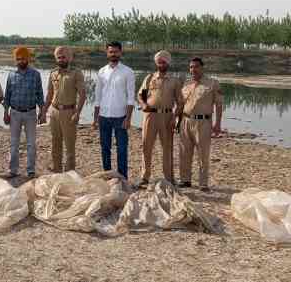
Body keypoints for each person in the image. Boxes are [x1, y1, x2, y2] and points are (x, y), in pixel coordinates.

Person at [178, 57, 224, 191]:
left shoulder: (212, 83)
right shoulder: (186, 84)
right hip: (185, 121)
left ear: (202, 68)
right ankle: (185, 180)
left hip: (203, 122)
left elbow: (219, 104)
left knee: (203, 153)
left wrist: (218, 124)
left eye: (196, 66)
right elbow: (181, 104)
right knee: (184, 152)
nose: (193, 69)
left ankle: (203, 183)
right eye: (191, 67)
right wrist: (176, 120)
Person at [137, 50, 182, 185]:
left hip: (167, 116)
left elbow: (180, 103)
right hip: (150, 115)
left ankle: (169, 178)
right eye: (159, 62)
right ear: (156, 63)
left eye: (164, 62)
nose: (161, 64)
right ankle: (145, 177)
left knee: (167, 147)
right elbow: (141, 95)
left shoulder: (174, 81)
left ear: (168, 63)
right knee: (146, 146)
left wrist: (175, 118)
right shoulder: (149, 78)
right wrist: (143, 104)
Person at [92, 41, 135, 179]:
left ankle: (123, 178)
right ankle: (108, 176)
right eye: (111, 51)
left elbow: (130, 97)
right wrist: (95, 119)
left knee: (122, 149)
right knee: (105, 148)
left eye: (116, 51)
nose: (113, 54)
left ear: (121, 53)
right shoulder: (101, 72)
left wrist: (128, 118)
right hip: (103, 116)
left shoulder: (128, 72)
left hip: (120, 116)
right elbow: (97, 96)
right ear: (107, 53)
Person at [3, 46, 45, 178]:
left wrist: (42, 112)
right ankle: (13, 170)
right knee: (14, 143)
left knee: (31, 143)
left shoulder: (35, 74)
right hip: (14, 113)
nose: (20, 61)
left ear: (28, 59)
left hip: (30, 113)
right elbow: (7, 96)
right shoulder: (11, 75)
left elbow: (40, 94)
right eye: (18, 59)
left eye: (23, 59)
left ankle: (30, 170)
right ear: (15, 60)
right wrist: (6, 112)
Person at [43, 46, 86, 172]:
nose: (61, 59)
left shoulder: (76, 73)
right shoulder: (53, 73)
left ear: (70, 57)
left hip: (69, 112)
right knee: (55, 142)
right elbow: (49, 94)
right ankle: (57, 169)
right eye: (59, 57)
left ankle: (69, 172)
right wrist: (44, 111)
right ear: (56, 58)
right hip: (54, 111)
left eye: (64, 57)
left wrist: (77, 113)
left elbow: (82, 94)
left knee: (69, 145)